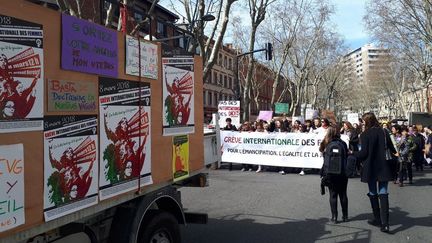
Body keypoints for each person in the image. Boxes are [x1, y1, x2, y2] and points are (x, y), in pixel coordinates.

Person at [353, 112, 396, 233]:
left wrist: (352, 153)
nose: (362, 123)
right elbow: (392, 148)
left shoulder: (365, 134)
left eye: (363, 121)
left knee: (373, 192)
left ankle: (377, 218)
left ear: (366, 121)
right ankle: (385, 223)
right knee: (383, 191)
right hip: (384, 165)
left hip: (370, 167)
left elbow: (363, 154)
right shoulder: (384, 132)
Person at [319, 126, 349, 223]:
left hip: (330, 173)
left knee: (333, 195)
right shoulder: (343, 144)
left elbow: (321, 151)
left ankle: (334, 217)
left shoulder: (326, 143)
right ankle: (345, 216)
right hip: (342, 172)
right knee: (343, 194)